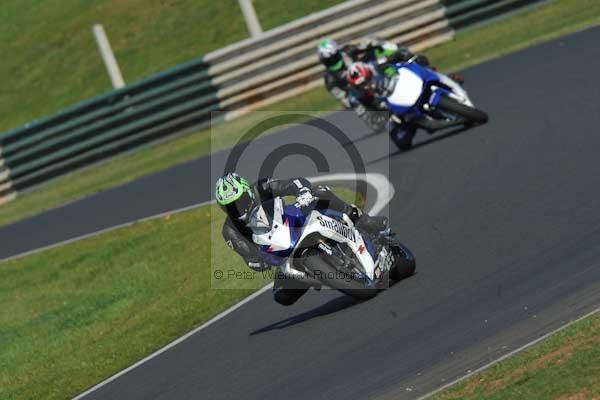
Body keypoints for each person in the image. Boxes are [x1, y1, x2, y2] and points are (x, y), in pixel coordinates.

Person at [216, 172, 387, 306]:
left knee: (321, 192)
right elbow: (248, 256)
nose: (237, 210)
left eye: (240, 202)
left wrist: (302, 192)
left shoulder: (262, 188)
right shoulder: (230, 231)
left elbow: (294, 183)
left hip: (294, 221)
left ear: (247, 192)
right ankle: (322, 274)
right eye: (229, 208)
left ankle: (363, 219)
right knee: (282, 296)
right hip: (279, 252)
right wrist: (258, 262)